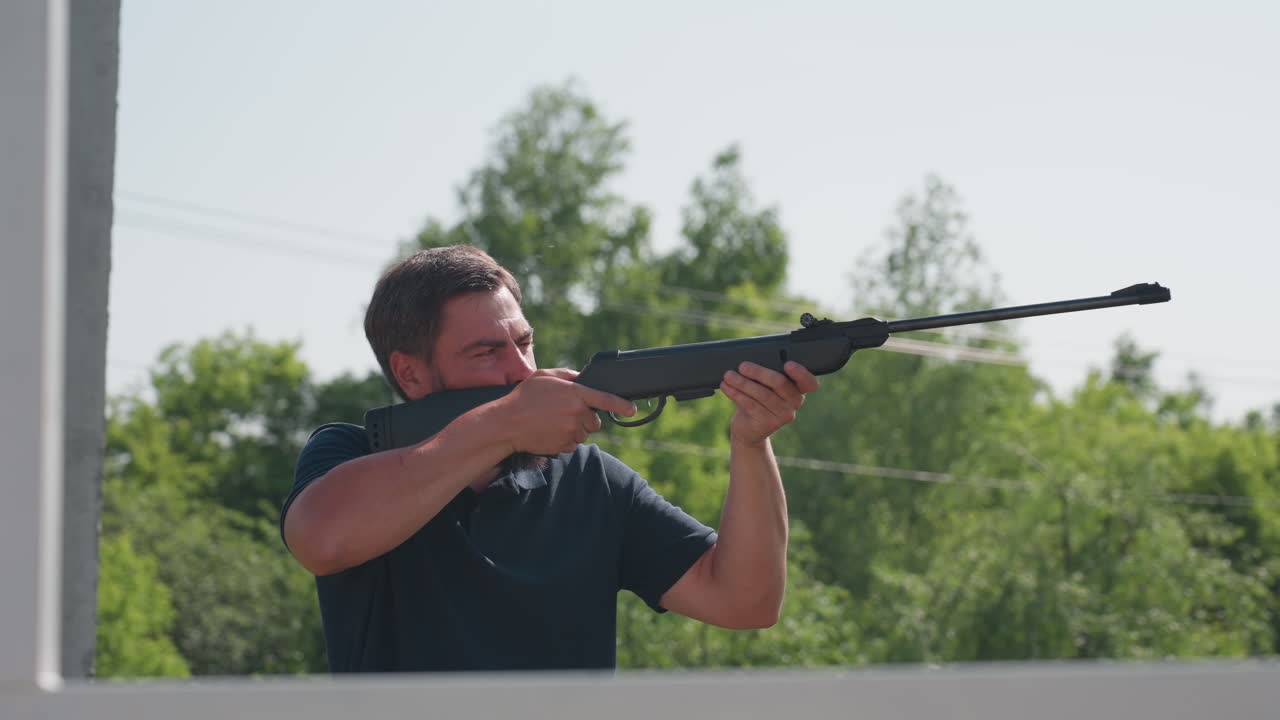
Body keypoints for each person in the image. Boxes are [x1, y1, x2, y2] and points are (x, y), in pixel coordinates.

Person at [280, 245, 819, 672]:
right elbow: (322, 539)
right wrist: (503, 424)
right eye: (487, 352)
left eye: (525, 343)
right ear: (411, 374)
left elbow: (747, 602)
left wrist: (751, 444)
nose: (521, 370)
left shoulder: (590, 480)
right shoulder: (349, 454)